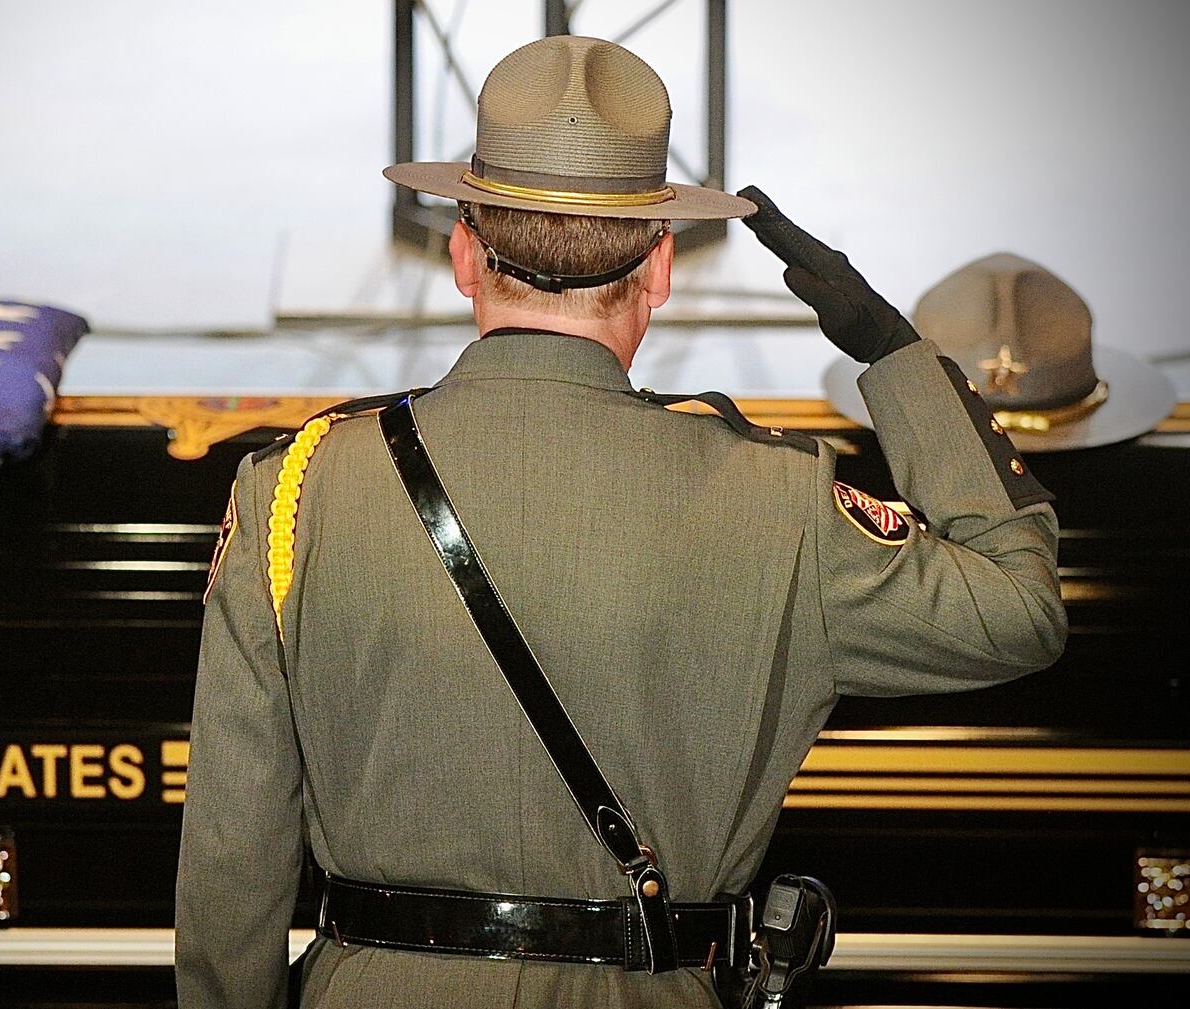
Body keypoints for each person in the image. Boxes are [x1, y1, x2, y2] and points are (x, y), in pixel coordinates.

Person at [175, 35, 1067, 1009]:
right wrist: (893, 355)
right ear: (660, 268)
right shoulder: (778, 502)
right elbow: (1020, 608)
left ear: (464, 254)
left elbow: (233, 866)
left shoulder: (296, 490)